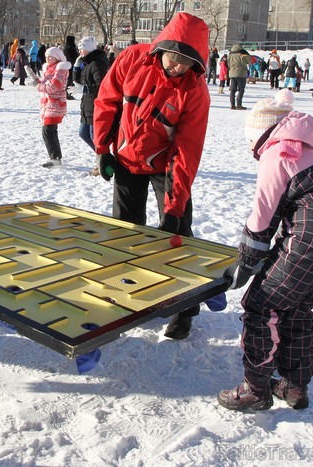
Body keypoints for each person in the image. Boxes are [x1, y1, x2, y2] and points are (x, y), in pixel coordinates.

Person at [217, 89, 313, 411]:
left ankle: (255, 388)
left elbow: (262, 216)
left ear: (260, 135)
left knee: (260, 304)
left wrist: (247, 262)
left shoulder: (278, 151)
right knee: (296, 306)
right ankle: (295, 388)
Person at [92, 12, 210, 339]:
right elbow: (107, 101)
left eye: (187, 63)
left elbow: (187, 151)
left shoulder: (195, 92)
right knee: (125, 231)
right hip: (128, 159)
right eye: (174, 58)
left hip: (165, 166)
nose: (178, 67)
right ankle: (127, 291)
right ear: (163, 47)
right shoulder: (132, 59)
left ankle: (185, 307)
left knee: (177, 236)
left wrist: (172, 208)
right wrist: (103, 148)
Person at [71, 36, 109, 175]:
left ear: (89, 49)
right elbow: (77, 81)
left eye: (82, 49)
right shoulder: (87, 62)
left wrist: (85, 89)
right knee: (83, 133)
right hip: (86, 104)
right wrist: (76, 66)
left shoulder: (97, 63)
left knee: (95, 137)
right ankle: (103, 159)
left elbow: (102, 86)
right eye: (79, 49)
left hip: (95, 105)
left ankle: (103, 163)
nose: (80, 51)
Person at [28, 47, 71, 168]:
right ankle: (55, 158)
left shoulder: (61, 70)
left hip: (55, 105)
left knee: (47, 131)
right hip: (49, 105)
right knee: (50, 131)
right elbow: (44, 83)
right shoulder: (49, 69)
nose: (47, 58)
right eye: (46, 56)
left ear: (57, 57)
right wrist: (35, 79)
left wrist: (38, 85)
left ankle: (55, 158)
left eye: (50, 56)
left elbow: (53, 87)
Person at [228, 43, 250, 110]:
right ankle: (239, 104)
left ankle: (232, 105)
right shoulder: (243, 54)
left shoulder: (230, 54)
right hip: (241, 73)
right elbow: (249, 61)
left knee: (232, 90)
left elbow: (228, 64)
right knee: (241, 89)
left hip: (232, 73)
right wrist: (247, 54)